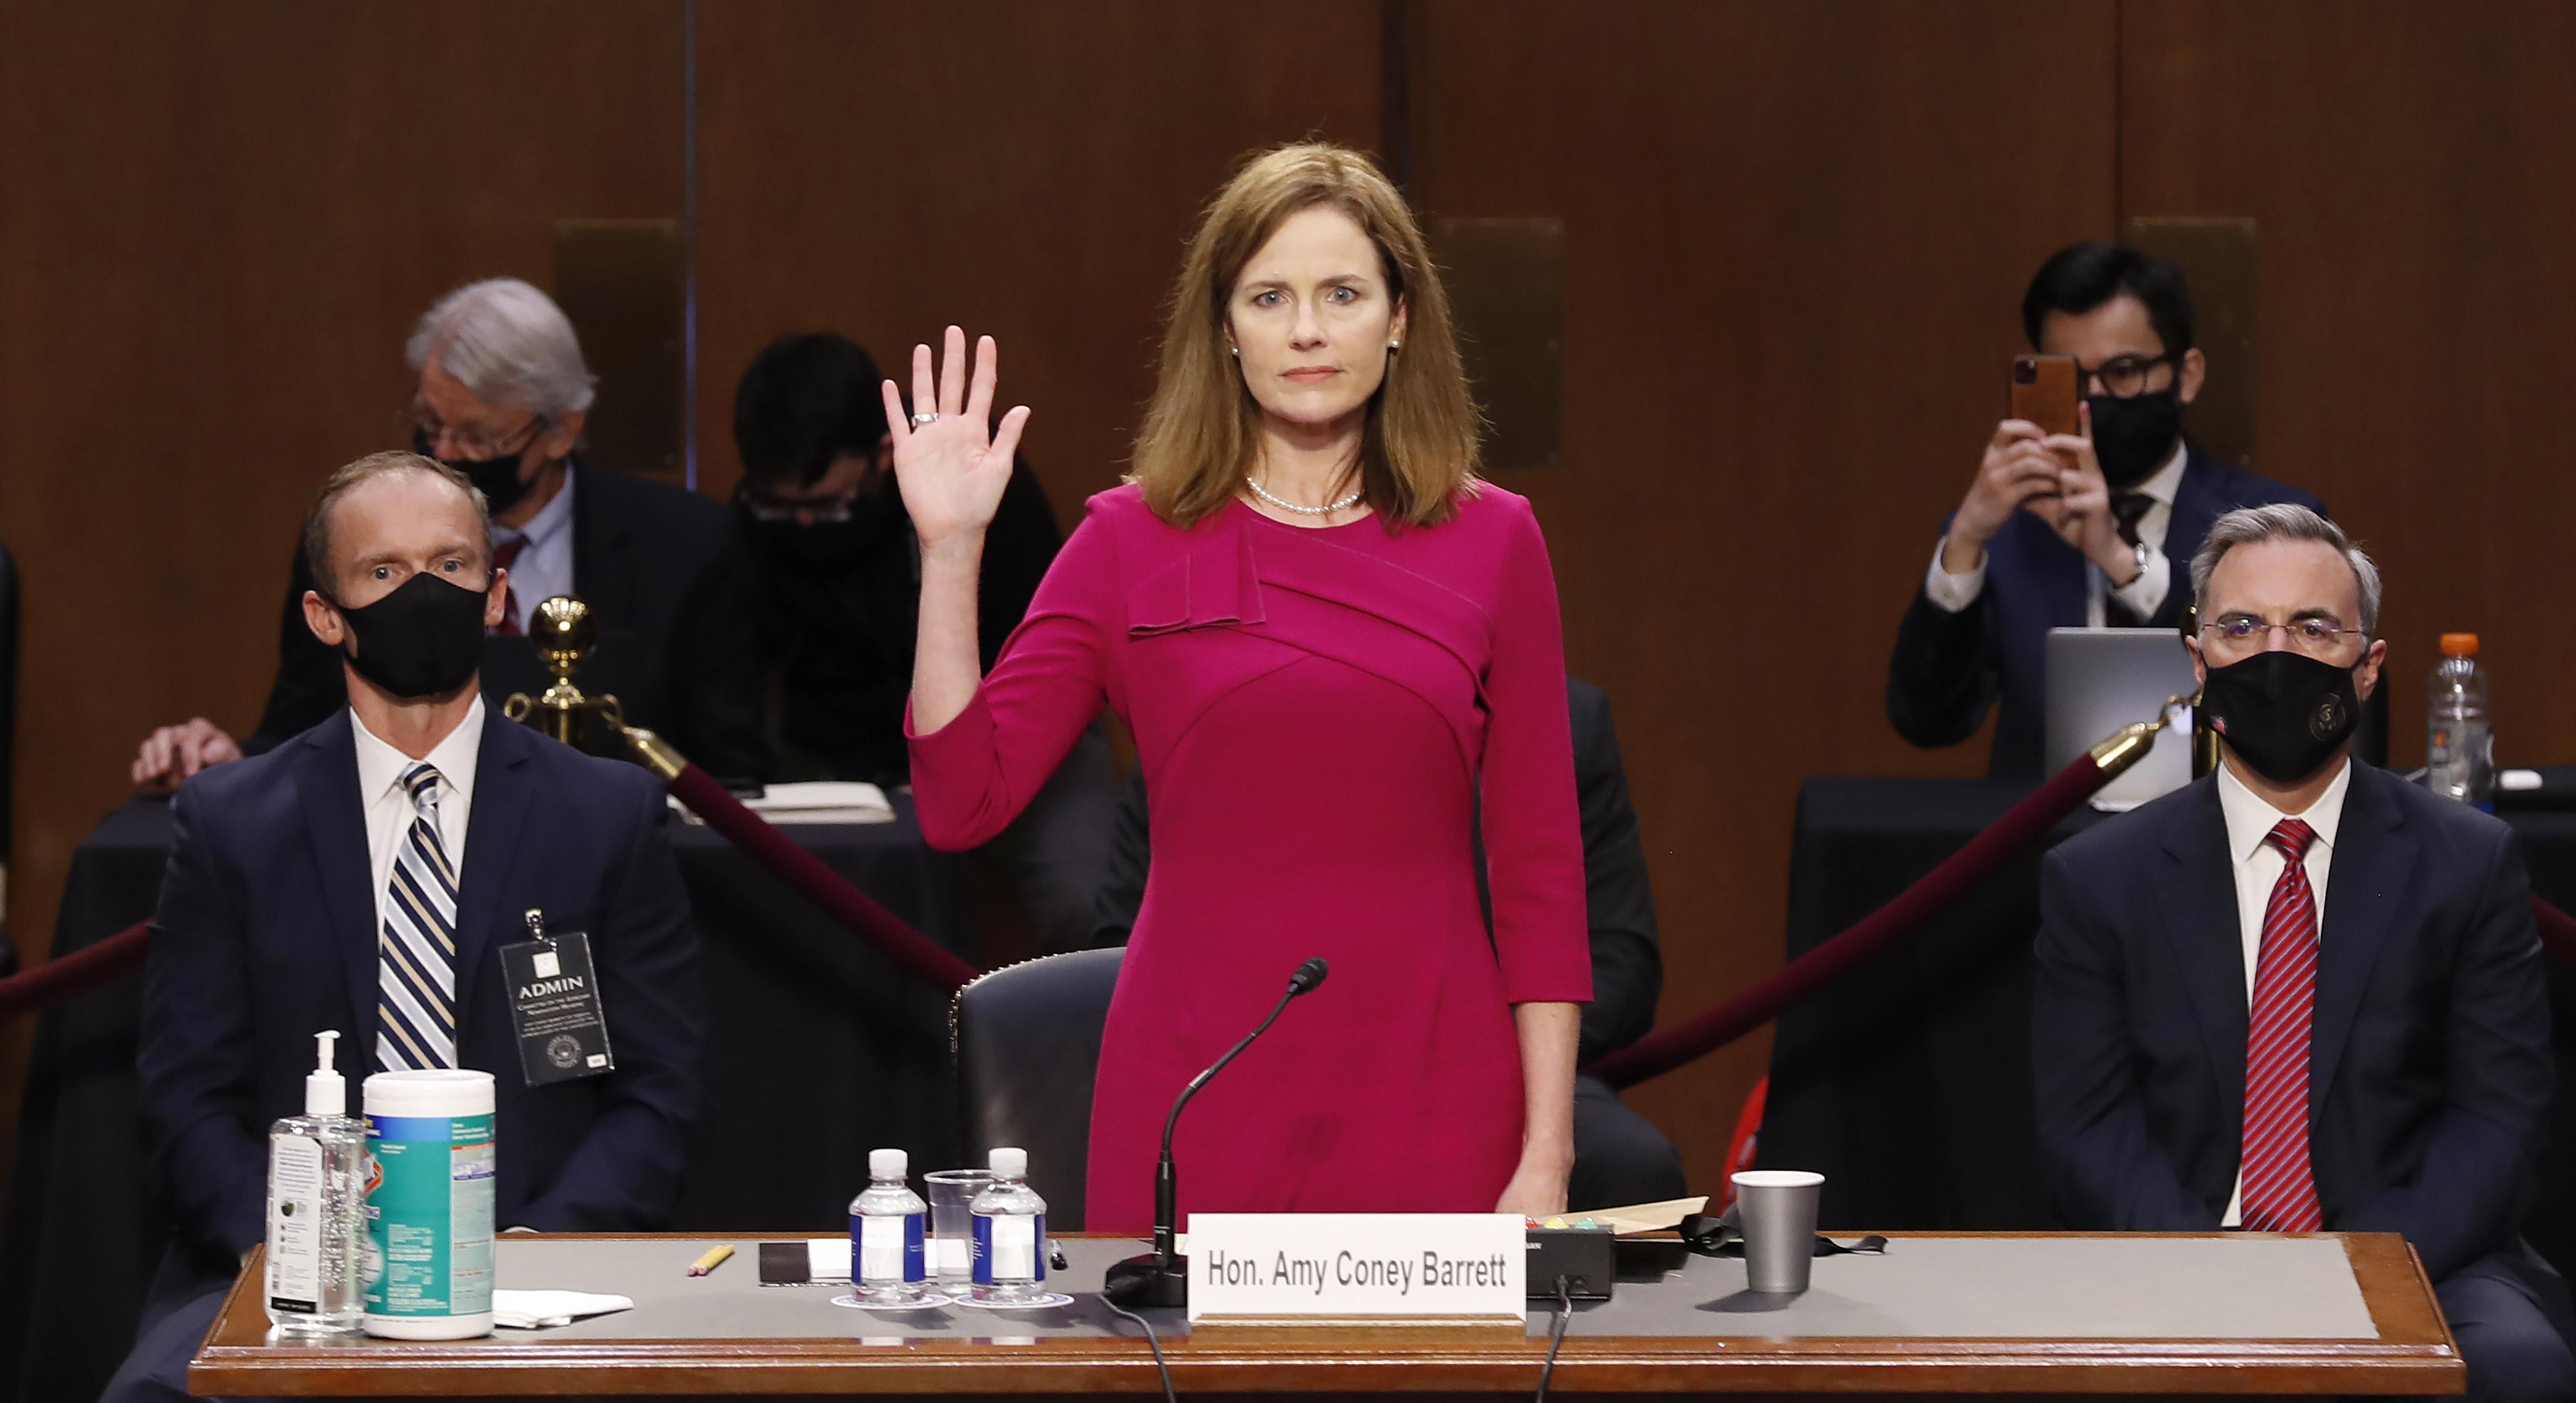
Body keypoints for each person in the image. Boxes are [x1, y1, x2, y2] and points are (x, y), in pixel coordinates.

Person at [897, 143, 1592, 1227]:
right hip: (1193, 1097)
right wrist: (950, 555)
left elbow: (1544, 873)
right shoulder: (1128, 539)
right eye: (1270, 297)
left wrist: (1546, 1156)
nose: (1307, 331)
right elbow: (959, 801)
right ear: (1225, 329)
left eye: (1342, 294)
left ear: (1400, 317)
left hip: (1438, 1096)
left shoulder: (1497, 540)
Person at [82, 452, 709, 1403]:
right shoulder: (234, 823)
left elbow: (657, 1094)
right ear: (326, 617)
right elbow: (187, 1096)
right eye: (384, 573)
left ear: (498, 594)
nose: (425, 592)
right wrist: (290, 1254)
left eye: (452, 562)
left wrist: (535, 1251)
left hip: (536, 1262)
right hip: (294, 1271)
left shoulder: (602, 815)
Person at [2033, 504, 2576, 1403]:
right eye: (2243, 630)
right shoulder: (2097, 879)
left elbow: (2499, 1121)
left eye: (2312, 630)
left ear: (2368, 668)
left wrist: (2349, 1277)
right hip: (2179, 1256)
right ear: (2196, 659)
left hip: (2415, 1257)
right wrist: (2217, 1277)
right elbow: (2086, 1127)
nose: (2275, 655)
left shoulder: (2468, 864)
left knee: (2521, 1383)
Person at [130, 278, 770, 790]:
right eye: (432, 423)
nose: (444, 451)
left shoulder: (685, 544)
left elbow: (728, 768)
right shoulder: (356, 531)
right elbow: (302, 724)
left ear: (563, 431)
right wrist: (225, 758)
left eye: (478, 438)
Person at [1089, 674, 1684, 1209]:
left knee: (1634, 1164)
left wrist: (1465, 1047)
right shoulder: (1205, 714)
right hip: (1254, 1069)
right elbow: (1117, 948)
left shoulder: (1567, 721)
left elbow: (1621, 961)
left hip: (1485, 1075)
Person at [732, 332, 1116, 950]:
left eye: (825, 507)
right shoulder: (761, 515)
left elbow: (1042, 649)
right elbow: (748, 657)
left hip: (1013, 722)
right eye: (783, 511)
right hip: (840, 750)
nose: (803, 526)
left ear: (883, 453)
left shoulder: (970, 473)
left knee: (1087, 900)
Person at [1887, 242, 2325, 778]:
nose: (2095, 399)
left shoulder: (2281, 526)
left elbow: (2291, 709)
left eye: (2122, 373)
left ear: (2186, 376)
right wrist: (1966, 540)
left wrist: (2119, 559)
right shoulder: (2006, 535)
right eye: (2071, 378)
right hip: (2046, 847)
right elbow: (1927, 719)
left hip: (2219, 845)